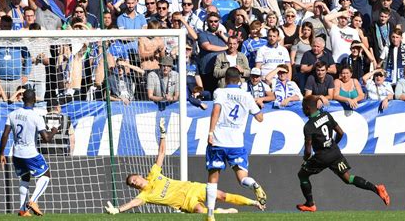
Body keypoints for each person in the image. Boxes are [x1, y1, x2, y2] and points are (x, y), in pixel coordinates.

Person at [105, 118, 261, 214]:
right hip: (186, 202)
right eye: (133, 184)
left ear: (139, 176)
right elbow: (133, 204)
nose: (135, 182)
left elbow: (161, 154)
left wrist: (163, 134)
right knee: (201, 211)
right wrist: (117, 210)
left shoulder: (153, 174)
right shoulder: (144, 196)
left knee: (222, 195)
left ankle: (253, 202)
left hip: (191, 188)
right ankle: (222, 213)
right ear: (135, 188)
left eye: (134, 179)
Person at [296, 95, 390, 212]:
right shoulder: (326, 115)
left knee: (302, 175)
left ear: (308, 108)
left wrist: (306, 159)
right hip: (335, 152)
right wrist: (333, 144)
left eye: (303, 107)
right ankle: (376, 188)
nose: (303, 109)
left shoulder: (308, 126)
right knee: (348, 178)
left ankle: (310, 204)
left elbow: (308, 150)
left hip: (322, 157)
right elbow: (340, 132)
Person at [205, 67, 266, 221]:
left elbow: (216, 111)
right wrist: (257, 105)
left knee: (213, 178)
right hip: (236, 143)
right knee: (242, 178)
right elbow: (260, 118)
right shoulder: (247, 96)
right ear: (239, 80)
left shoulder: (220, 92)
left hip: (218, 140)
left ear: (225, 79)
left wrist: (210, 132)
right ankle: (254, 185)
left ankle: (210, 215)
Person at [0, 89, 59, 216]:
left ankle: (22, 209)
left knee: (25, 177)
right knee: (46, 175)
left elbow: (5, 135)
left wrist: (1, 153)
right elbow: (46, 138)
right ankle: (33, 201)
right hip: (30, 154)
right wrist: (54, 130)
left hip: (16, 154)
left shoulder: (13, 114)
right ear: (35, 101)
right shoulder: (36, 117)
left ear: (22, 99)